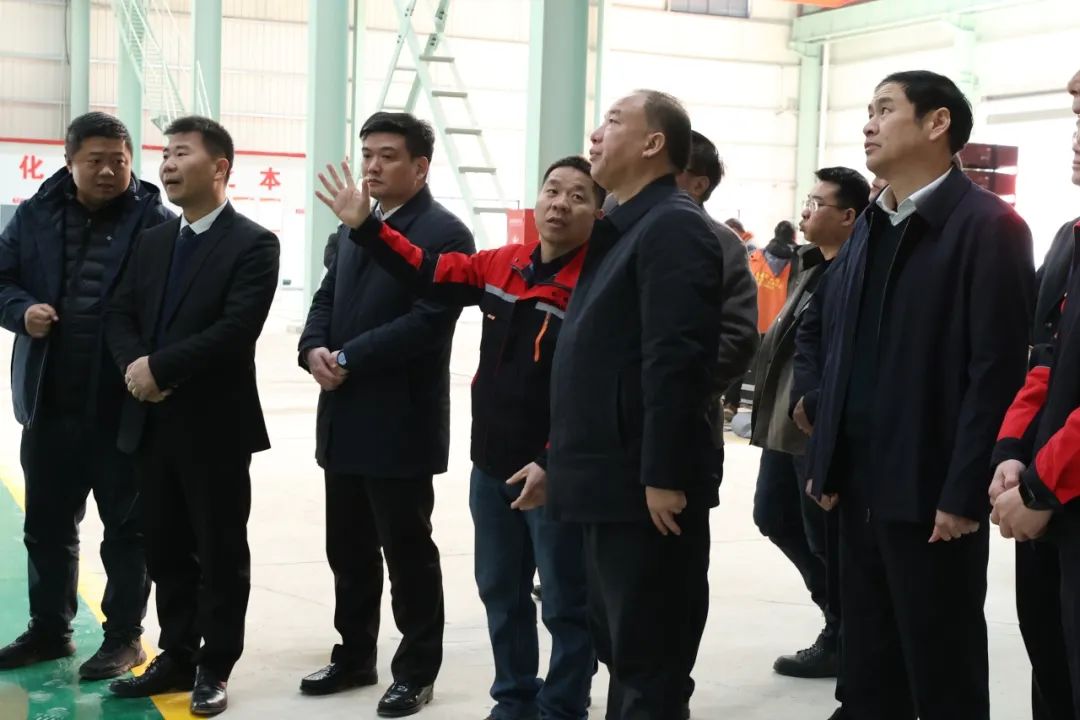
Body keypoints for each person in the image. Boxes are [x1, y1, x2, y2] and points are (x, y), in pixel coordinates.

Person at [317, 153, 601, 720]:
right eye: (552, 190)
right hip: (492, 466)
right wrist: (367, 226)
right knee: (501, 591)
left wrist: (552, 460)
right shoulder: (503, 265)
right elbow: (429, 271)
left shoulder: (596, 284)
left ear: (599, 211)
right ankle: (514, 699)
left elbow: (597, 388)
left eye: (578, 196)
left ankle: (564, 706)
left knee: (566, 602)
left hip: (555, 473)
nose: (560, 204)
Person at [800, 71, 1035, 720]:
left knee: (941, 673)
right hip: (858, 489)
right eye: (867, 111)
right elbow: (836, 339)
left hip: (931, 497)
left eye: (884, 110)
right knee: (868, 672)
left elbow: (996, 373)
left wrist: (963, 492)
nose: (868, 124)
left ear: (937, 123)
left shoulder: (988, 227)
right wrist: (826, 453)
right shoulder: (870, 225)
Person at [547, 89, 724, 720]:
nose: (596, 135)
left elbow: (677, 360)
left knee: (649, 658)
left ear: (653, 144)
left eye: (613, 122)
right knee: (623, 649)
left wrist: (665, 475)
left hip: (646, 490)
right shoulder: (624, 225)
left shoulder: (673, 224)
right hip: (611, 482)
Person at [297, 111, 474, 718]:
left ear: (420, 167)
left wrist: (348, 356)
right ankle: (354, 656)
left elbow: (429, 322)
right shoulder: (355, 222)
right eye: (367, 154)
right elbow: (326, 298)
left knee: (407, 552)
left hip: (400, 418)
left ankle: (416, 671)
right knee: (347, 549)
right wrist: (313, 350)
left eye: (388, 156)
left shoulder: (446, 233)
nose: (372, 166)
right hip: (344, 411)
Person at [105, 116, 280, 717]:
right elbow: (119, 313)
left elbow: (235, 330)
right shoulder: (153, 240)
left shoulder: (254, 244)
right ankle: (177, 653)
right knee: (165, 549)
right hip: (151, 423)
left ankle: (215, 664)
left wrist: (160, 369)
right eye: (165, 154)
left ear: (220, 167)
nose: (167, 165)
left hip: (214, 427)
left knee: (220, 550)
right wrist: (135, 368)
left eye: (181, 153)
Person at [0, 112, 171, 679]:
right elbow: (1, 278)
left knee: (127, 530)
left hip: (123, 410)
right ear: (69, 160)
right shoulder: (35, 215)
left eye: (119, 161)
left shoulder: (156, 222)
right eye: (95, 161)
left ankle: (124, 638)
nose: (107, 172)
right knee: (47, 527)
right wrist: (21, 311)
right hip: (50, 405)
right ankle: (50, 630)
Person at [752, 167, 869, 688]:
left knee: (823, 536)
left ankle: (845, 633)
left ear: (848, 216)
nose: (806, 210)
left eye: (818, 203)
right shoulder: (808, 265)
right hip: (784, 425)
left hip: (816, 429)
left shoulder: (854, 273)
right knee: (773, 516)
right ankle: (838, 616)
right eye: (807, 200)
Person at [988, 68, 1080, 720]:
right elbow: (1044, 359)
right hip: (1050, 502)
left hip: (1058, 493)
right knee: (1052, 664)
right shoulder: (1070, 239)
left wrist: (1044, 487)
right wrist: (1013, 450)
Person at [674, 129, 758, 715]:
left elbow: (737, 338)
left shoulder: (719, 244)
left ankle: (667, 690)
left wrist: (671, 400)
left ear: (697, 183)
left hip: (683, 436)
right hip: (604, 445)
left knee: (676, 575)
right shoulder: (612, 229)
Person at [748, 220, 798, 335]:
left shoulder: (753, 260)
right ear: (794, 237)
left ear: (775, 234)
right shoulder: (799, 265)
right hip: (780, 333)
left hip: (753, 330)